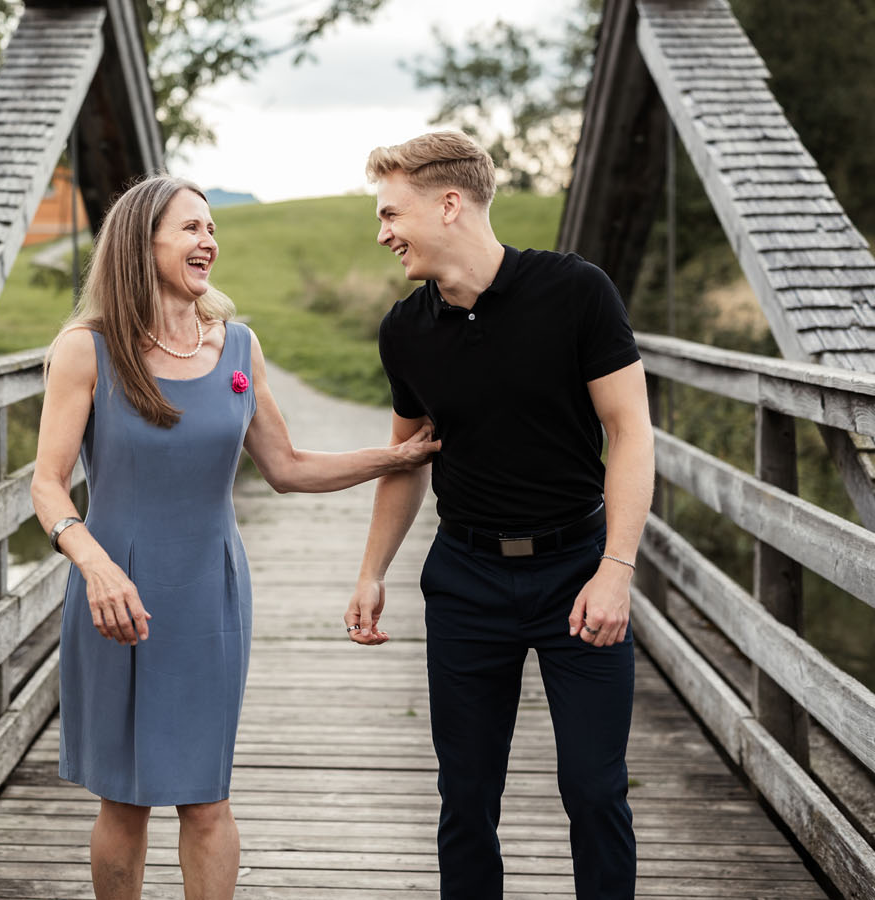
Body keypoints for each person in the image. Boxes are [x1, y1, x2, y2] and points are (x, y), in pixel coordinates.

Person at [31, 174, 439, 900]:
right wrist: (92, 564)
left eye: (211, 228)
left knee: (206, 797)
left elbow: (286, 467)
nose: (208, 242)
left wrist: (396, 457)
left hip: (210, 591)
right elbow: (47, 484)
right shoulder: (85, 350)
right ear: (140, 241)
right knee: (123, 800)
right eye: (190, 229)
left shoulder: (239, 349)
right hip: (113, 588)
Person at [344, 131, 653, 900]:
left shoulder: (577, 291)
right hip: (467, 580)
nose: (382, 233)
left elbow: (631, 432)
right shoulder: (404, 330)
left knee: (594, 787)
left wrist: (616, 569)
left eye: (391, 214)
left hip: (580, 571)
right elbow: (406, 459)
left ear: (450, 204)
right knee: (467, 794)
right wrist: (372, 572)